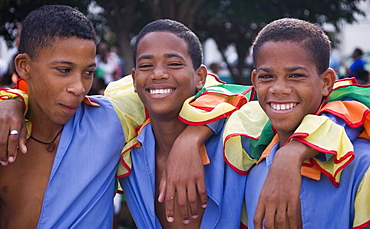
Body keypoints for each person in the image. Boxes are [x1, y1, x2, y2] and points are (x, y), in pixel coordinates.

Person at [0, 6, 210, 228]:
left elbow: (210, 86)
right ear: (24, 66)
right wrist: (11, 100)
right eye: (63, 70)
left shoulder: (112, 117)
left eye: (88, 72)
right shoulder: (4, 132)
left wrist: (192, 138)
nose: (78, 88)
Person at [236, 18, 370, 228]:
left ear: (326, 82)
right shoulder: (252, 165)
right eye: (267, 76)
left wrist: (291, 153)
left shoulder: (361, 166)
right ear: (254, 82)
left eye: (296, 76)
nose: (279, 89)